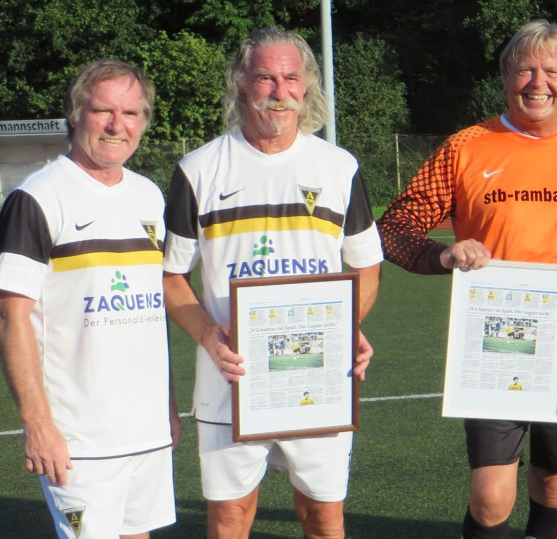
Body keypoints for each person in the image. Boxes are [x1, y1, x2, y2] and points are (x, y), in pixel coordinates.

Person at [376, 20, 557, 539]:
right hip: (495, 339)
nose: (538, 82)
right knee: (490, 498)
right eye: (525, 70)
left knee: (554, 486)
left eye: (552, 71)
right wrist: (442, 255)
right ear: (505, 77)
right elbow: (394, 228)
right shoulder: (467, 146)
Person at [162, 28, 382, 539]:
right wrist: (208, 335)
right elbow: (171, 276)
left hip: (318, 372)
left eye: (290, 78)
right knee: (230, 517)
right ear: (242, 82)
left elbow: (366, 267)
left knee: (323, 516)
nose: (279, 91)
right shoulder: (198, 169)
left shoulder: (339, 167)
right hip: (230, 377)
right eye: (265, 77)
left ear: (307, 86)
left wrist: (345, 326)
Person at [0, 59, 179, 539]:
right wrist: (37, 424)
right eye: (103, 111)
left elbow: (154, 311)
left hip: (146, 430)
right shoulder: (37, 197)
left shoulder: (149, 196)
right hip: (78, 438)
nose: (118, 125)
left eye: (131, 113)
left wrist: (167, 407)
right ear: (75, 113)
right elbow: (10, 318)